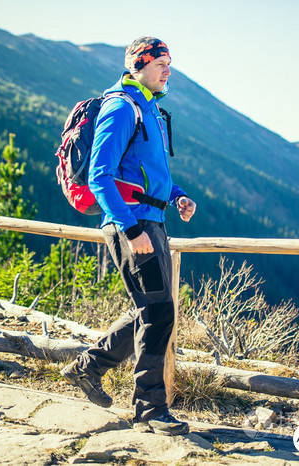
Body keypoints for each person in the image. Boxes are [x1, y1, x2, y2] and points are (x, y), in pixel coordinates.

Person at [60, 37, 197, 436]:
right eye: (161, 63)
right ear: (139, 64)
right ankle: (150, 409)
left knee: (151, 310)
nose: (168, 70)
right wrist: (131, 227)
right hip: (131, 224)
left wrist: (178, 196)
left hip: (151, 219)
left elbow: (146, 171)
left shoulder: (149, 109)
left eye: (169, 63)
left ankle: (88, 368)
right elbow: (100, 175)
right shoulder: (121, 107)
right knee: (159, 313)